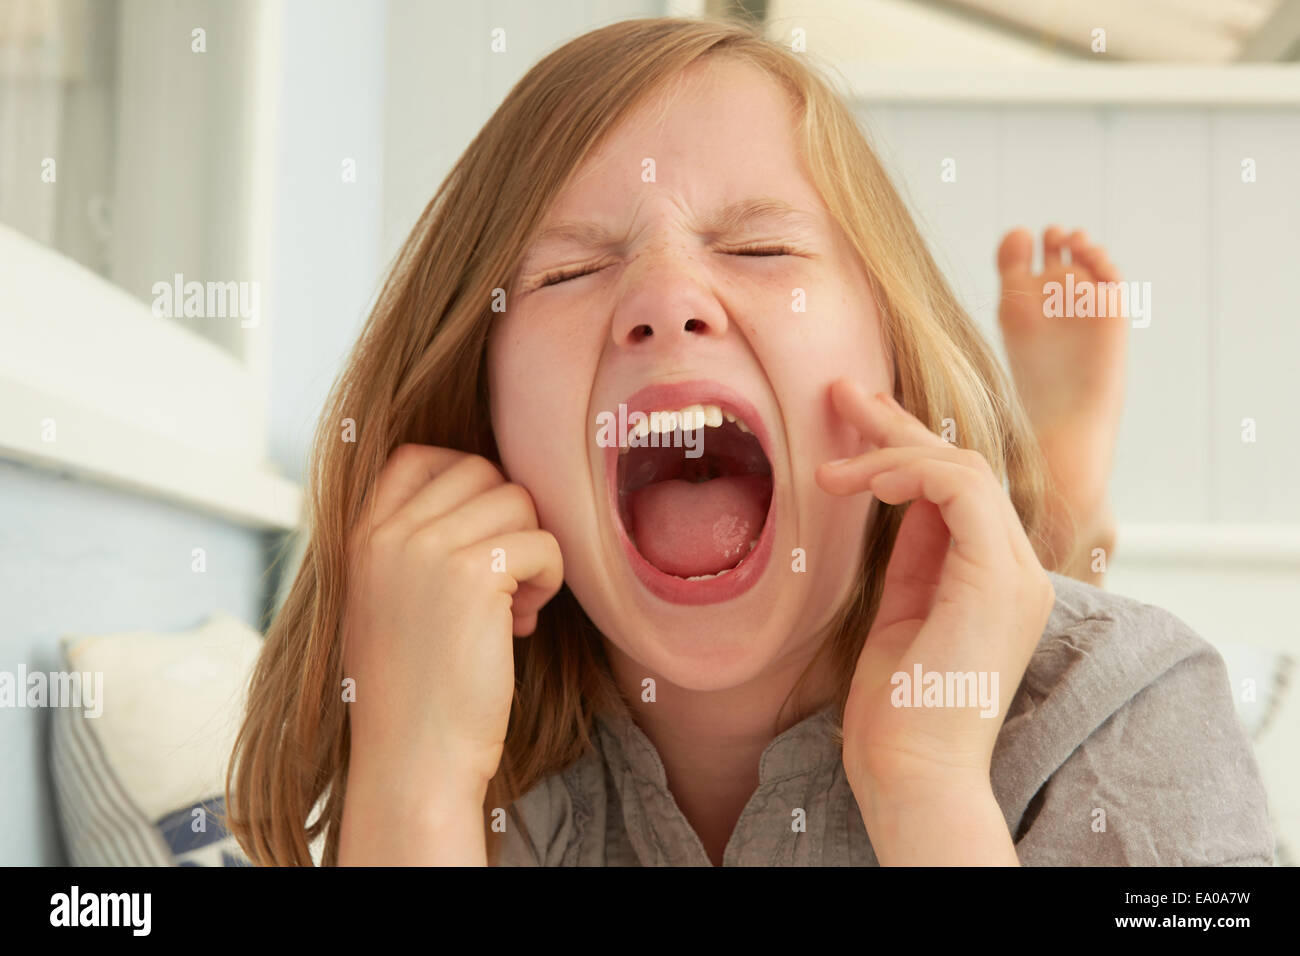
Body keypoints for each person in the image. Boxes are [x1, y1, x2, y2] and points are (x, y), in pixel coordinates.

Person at [226, 17, 1271, 866]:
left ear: (895, 361)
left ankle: (1052, 502)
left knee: (1030, 578)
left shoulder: (1134, 702)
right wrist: (413, 780)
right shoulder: (445, 708)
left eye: (760, 247)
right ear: (485, 418)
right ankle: (1051, 502)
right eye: (567, 271)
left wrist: (929, 787)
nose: (668, 299)